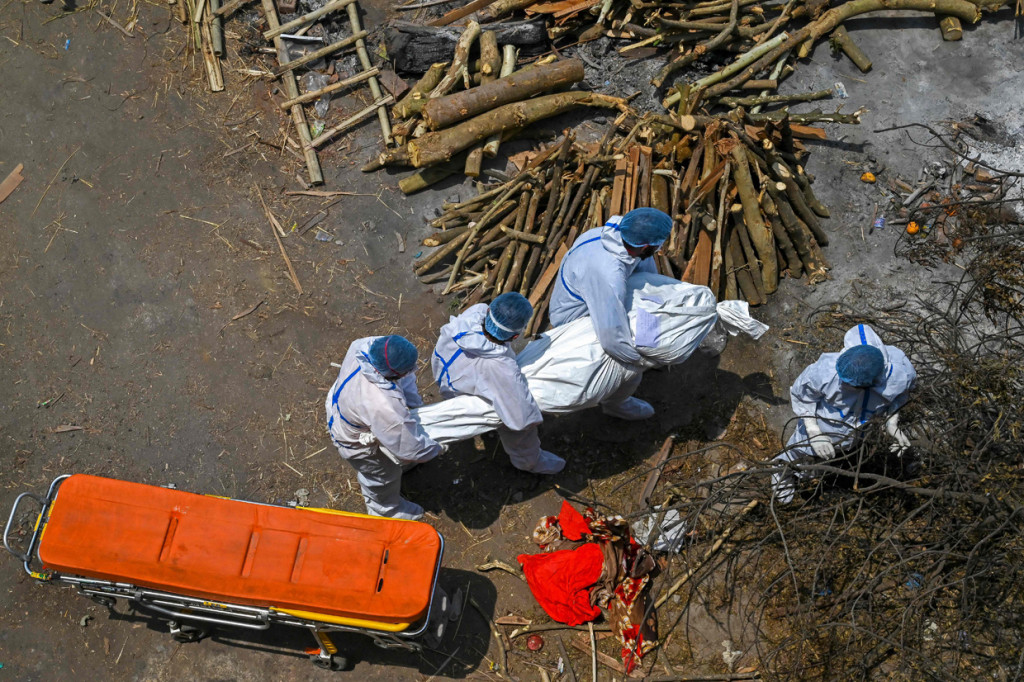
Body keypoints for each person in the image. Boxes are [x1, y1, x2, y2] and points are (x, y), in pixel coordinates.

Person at [548, 207, 673, 420]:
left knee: (644, 328)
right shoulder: (609, 274)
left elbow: (649, 280)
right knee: (629, 370)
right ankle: (616, 403)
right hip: (573, 317)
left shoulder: (618, 238)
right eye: (659, 244)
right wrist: (641, 360)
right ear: (646, 247)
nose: (661, 247)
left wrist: (653, 327)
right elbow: (611, 339)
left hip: (595, 295)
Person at [772, 324, 917, 503]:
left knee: (826, 457)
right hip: (824, 422)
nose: (846, 386)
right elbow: (803, 397)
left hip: (859, 431)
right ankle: (781, 472)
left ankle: (810, 470)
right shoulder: (825, 370)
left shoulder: (900, 374)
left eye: (853, 385)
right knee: (799, 449)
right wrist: (813, 431)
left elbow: (899, 398)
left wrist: (891, 423)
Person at [432, 292, 565, 475]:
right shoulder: (500, 368)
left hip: (446, 379)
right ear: (515, 337)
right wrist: (531, 416)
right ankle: (528, 462)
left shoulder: (475, 313)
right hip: (466, 395)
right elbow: (520, 420)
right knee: (518, 428)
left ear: (489, 312)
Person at [325, 335, 443, 520]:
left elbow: (406, 381)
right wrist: (435, 448)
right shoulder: (382, 405)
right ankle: (386, 511)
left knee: (392, 456)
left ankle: (400, 469)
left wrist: (415, 406)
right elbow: (408, 448)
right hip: (352, 439)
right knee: (381, 475)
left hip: (344, 406)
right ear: (395, 374)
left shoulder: (366, 347)